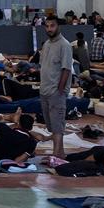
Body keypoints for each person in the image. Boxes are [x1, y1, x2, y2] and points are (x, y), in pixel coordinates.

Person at [37, 16, 74, 158]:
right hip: (44, 91)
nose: (49, 29)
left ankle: (55, 156)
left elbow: (66, 69)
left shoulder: (65, 45)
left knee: (58, 125)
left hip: (55, 92)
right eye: (47, 26)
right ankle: (61, 153)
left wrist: (60, 90)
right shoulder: (46, 44)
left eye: (52, 26)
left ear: (58, 27)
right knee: (52, 125)